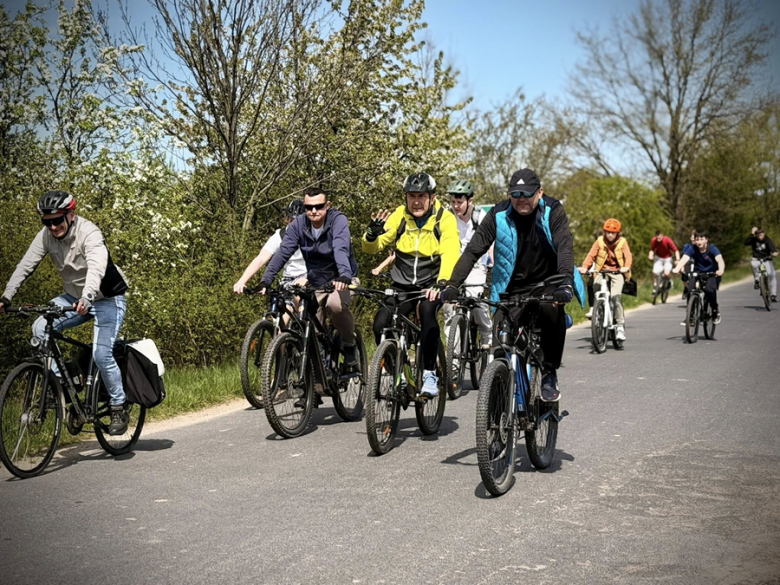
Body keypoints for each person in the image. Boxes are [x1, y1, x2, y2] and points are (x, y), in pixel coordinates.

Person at [442, 168, 583, 403]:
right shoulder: (498, 214)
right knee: (500, 349)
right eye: (515, 194)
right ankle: (496, 414)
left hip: (548, 284)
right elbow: (473, 250)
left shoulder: (552, 211)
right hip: (510, 288)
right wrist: (453, 284)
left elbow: (564, 246)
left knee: (552, 311)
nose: (521, 199)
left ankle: (549, 373)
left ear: (540, 192)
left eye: (526, 194)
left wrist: (566, 282)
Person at [0, 191, 131, 435]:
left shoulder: (89, 233)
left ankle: (118, 406)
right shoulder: (46, 237)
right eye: (47, 222)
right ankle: (68, 386)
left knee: (101, 355)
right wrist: (6, 296)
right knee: (40, 328)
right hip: (73, 297)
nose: (52, 226)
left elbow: (96, 266)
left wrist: (88, 296)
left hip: (106, 298)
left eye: (57, 220)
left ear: (70, 215)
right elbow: (26, 264)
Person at [363, 172, 460, 398]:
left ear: (432, 197)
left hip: (431, 284)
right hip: (401, 284)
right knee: (380, 325)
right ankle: (399, 372)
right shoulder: (399, 216)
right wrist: (370, 236)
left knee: (427, 313)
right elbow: (374, 247)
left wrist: (443, 282)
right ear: (405, 197)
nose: (416, 201)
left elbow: (450, 250)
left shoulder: (444, 218)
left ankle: (428, 372)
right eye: (411, 196)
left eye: (421, 196)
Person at [256, 187, 360, 372]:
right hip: (317, 281)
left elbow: (340, 248)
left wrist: (344, 274)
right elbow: (283, 253)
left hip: (342, 278)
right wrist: (266, 280)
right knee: (310, 324)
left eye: (319, 206)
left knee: (335, 305)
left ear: (327, 205)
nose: (313, 211)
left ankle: (350, 345)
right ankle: (312, 387)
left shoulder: (338, 220)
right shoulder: (299, 224)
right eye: (309, 207)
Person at [442, 179, 492, 350]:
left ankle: (486, 333)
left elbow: (491, 244)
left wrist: (492, 263)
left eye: (459, 202)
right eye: (453, 202)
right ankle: (453, 356)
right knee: (448, 305)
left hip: (477, 265)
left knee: (475, 299)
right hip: (455, 266)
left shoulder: (481, 217)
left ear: (470, 201)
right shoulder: (448, 218)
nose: (456, 206)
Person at [233, 200, 307, 295]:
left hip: (308, 279)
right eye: (292, 220)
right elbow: (261, 258)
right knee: (281, 304)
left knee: (302, 300)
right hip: (288, 281)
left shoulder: (313, 234)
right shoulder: (280, 235)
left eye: (298, 221)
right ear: (287, 219)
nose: (295, 224)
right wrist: (242, 281)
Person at [579, 219, 633, 342]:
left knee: (616, 297)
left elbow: (628, 256)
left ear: (617, 233)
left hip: (617, 271)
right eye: (608, 232)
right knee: (595, 285)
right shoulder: (599, 241)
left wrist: (626, 267)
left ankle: (620, 326)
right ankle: (596, 307)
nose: (610, 235)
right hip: (601, 270)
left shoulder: (622, 242)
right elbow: (591, 255)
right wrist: (585, 267)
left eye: (613, 233)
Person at [673, 230, 725, 323]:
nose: (699, 242)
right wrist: (677, 268)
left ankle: (714, 311)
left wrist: (720, 270)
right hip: (698, 273)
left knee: (709, 290)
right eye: (697, 239)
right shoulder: (693, 248)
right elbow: (684, 258)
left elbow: (720, 260)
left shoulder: (712, 248)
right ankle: (690, 315)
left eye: (701, 239)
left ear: (706, 240)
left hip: (712, 274)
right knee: (689, 290)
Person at [745, 227, 778, 302]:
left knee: (772, 275)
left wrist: (774, 252)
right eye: (758, 236)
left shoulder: (767, 240)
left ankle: (773, 294)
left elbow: (772, 247)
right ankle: (757, 279)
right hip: (756, 258)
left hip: (767, 259)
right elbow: (746, 243)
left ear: (764, 234)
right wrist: (751, 233)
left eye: (761, 235)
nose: (760, 237)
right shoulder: (754, 240)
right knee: (753, 264)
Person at [648, 230, 680, 294]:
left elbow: (676, 250)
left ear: (662, 236)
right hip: (659, 257)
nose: (658, 240)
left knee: (666, 273)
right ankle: (655, 287)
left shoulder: (667, 240)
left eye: (659, 238)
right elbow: (652, 249)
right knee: (655, 272)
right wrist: (650, 255)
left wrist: (678, 259)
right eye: (657, 238)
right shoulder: (654, 240)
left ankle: (670, 281)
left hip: (668, 257)